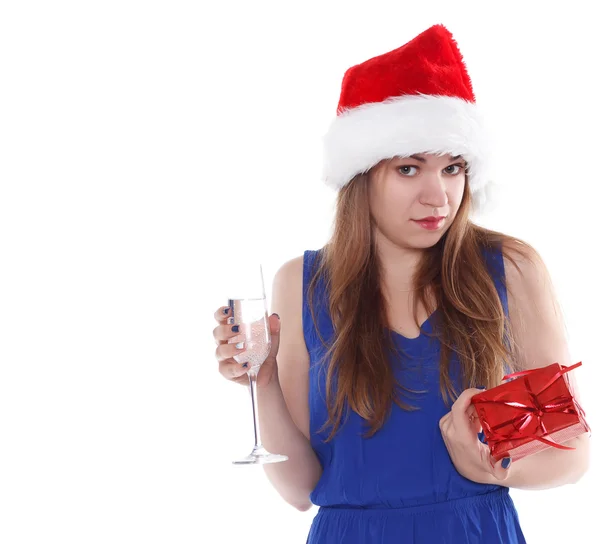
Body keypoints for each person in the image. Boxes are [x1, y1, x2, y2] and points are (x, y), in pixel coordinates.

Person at [212, 24, 590, 543]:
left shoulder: (509, 268)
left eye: (453, 167)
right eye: (410, 169)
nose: (439, 197)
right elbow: (301, 488)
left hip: (476, 531)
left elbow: (569, 454)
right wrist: (265, 380)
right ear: (362, 176)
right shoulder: (300, 283)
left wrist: (493, 469)